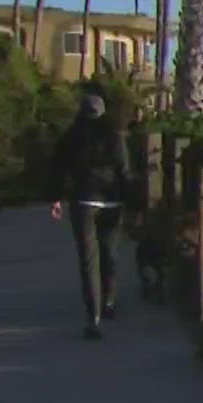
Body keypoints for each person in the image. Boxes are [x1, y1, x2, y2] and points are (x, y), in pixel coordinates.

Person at [47, 93, 133, 340]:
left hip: (83, 202)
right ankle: (109, 300)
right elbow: (124, 170)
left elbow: (58, 168)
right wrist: (133, 203)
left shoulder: (71, 137)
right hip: (112, 202)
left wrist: (55, 198)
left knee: (88, 260)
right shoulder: (114, 137)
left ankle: (93, 318)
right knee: (110, 253)